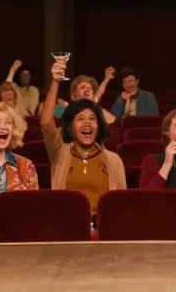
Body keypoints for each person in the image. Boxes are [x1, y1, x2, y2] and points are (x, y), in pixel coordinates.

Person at [40, 60, 127, 214]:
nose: (87, 123)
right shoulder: (60, 154)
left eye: (92, 119)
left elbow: (121, 206)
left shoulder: (113, 160)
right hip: (67, 227)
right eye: (80, 119)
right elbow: (46, 123)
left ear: (99, 126)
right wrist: (55, 81)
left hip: (102, 230)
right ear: (71, 129)